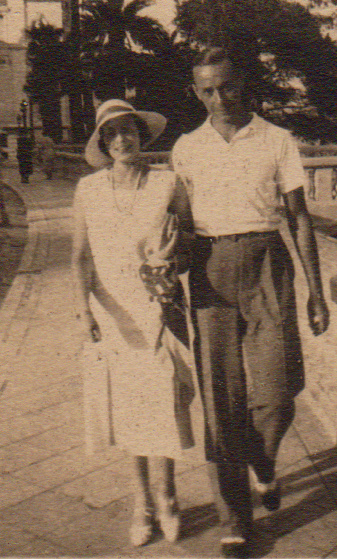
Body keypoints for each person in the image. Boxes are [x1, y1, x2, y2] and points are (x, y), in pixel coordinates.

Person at [172, 48, 330, 556]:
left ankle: (263, 462)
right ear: (197, 92)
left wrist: (316, 292)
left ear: (243, 84)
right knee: (221, 399)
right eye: (207, 90)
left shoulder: (277, 140)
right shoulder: (186, 148)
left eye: (227, 86)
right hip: (209, 268)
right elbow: (176, 225)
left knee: (280, 389)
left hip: (267, 262)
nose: (219, 98)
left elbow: (299, 219)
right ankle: (234, 518)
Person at [72, 99, 195, 548]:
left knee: (162, 402)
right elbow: (80, 256)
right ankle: (141, 502)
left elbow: (189, 243)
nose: (122, 139)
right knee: (126, 408)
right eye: (112, 133)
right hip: (111, 311)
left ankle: (168, 498)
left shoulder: (167, 184)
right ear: (103, 143)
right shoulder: (88, 189)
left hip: (158, 306)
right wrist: (84, 312)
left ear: (142, 136)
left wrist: (172, 260)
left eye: (129, 130)